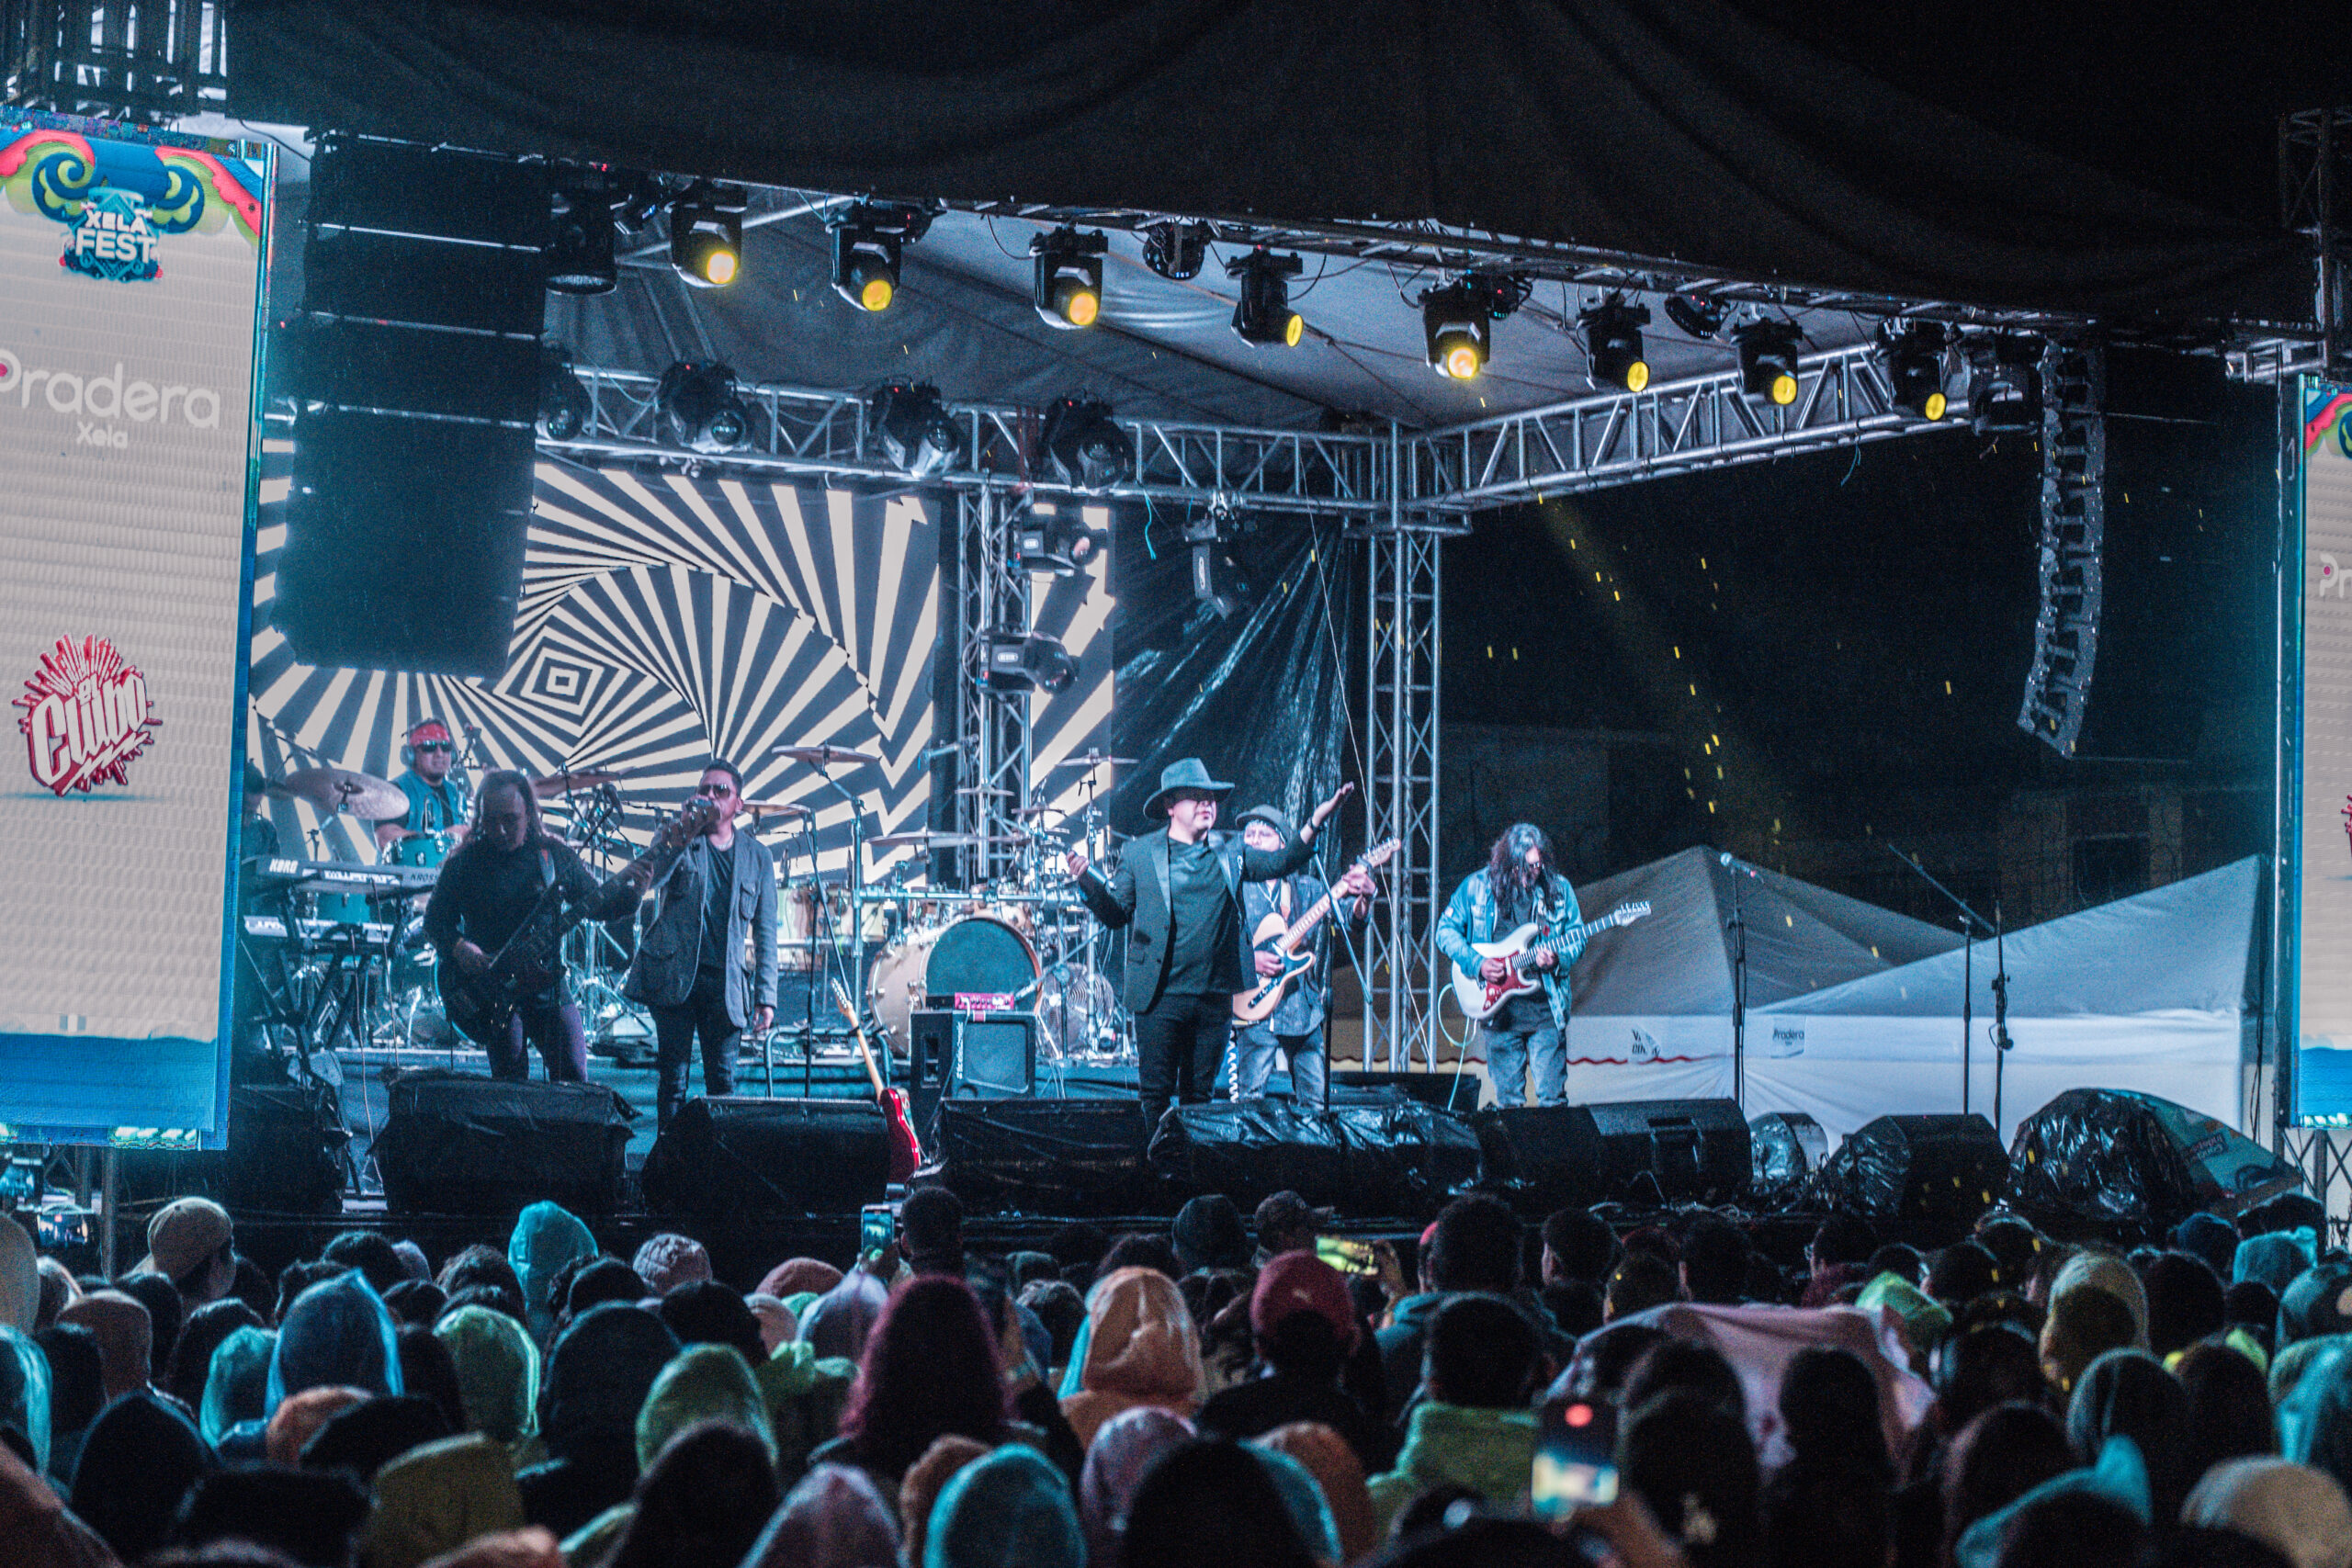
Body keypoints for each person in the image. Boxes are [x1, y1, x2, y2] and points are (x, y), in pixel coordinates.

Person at [1067, 759, 1358, 1128]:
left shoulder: (1231, 852)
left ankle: (1191, 1178)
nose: (1207, 804)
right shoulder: (1140, 854)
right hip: (1159, 998)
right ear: (1171, 807)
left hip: (1212, 999)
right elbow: (1116, 915)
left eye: (1210, 798)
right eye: (1195, 797)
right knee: (1155, 1095)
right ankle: (1158, 1174)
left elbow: (1283, 861)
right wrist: (1089, 885)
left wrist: (1316, 821)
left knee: (1199, 1099)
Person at [423, 770, 653, 1082]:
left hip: (545, 984)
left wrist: (635, 892)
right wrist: (460, 947)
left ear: (528, 813)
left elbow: (598, 905)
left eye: (510, 820)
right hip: (492, 988)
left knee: (573, 1075)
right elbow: (434, 921)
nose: (500, 830)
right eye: (491, 820)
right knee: (509, 1083)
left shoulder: (553, 855)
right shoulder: (465, 862)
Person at [623, 761, 777, 1128]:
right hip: (676, 979)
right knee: (672, 1082)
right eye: (703, 789)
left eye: (720, 790)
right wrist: (680, 833)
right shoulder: (676, 839)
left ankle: (717, 1172)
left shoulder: (759, 857)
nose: (709, 796)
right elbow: (653, 880)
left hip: (725, 987)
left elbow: (766, 930)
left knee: (722, 1084)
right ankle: (666, 1167)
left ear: (738, 803)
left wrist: (766, 997)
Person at [1228, 805, 1373, 1110]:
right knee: (1248, 1103)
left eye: (1263, 834)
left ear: (1283, 845)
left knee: (1315, 1102)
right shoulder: (1234, 888)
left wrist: (1364, 897)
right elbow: (1215, 938)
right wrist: (1250, 960)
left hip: (1301, 1010)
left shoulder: (1306, 888)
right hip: (1255, 1010)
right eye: (1248, 834)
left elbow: (1351, 920)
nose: (1252, 840)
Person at [1433, 822, 1585, 1107]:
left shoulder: (1559, 889)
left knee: (1553, 1103)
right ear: (1507, 863)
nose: (1531, 873)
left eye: (1536, 865)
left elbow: (1576, 937)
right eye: (1523, 867)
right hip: (1499, 1014)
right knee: (1509, 1105)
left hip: (1546, 1012)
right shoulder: (1477, 887)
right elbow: (1444, 931)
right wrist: (1477, 963)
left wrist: (1557, 959)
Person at [376, 717, 470, 852]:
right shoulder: (394, 791)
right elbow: (385, 839)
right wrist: (443, 837)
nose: (439, 754)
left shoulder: (456, 794)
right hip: (406, 872)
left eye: (445, 747)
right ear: (411, 755)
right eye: (429, 747)